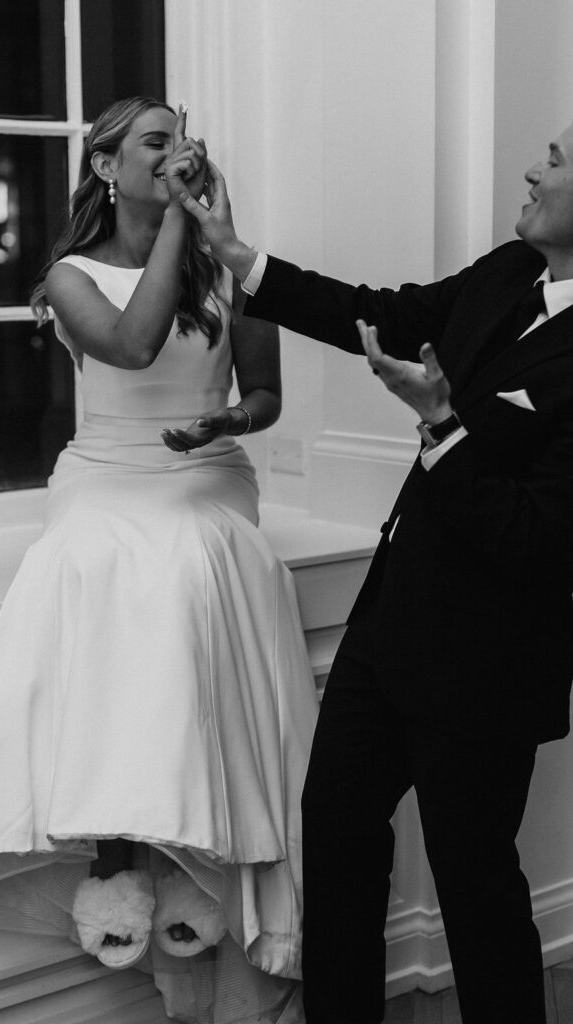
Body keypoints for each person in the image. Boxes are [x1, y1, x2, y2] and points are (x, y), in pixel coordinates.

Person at [0, 97, 317, 1024]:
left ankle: (197, 864)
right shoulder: (69, 275)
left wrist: (230, 419)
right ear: (106, 167)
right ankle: (121, 862)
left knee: (191, 568)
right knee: (100, 566)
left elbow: (263, 394)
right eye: (156, 142)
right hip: (106, 473)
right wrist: (185, 218)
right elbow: (136, 345)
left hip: (206, 474)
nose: (178, 153)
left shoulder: (233, 268)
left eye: (186, 140)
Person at [175, 121, 573, 1024]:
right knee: (339, 831)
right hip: (392, 621)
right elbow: (381, 312)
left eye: (553, 161)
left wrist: (443, 427)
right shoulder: (507, 273)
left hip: (488, 658)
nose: (530, 168)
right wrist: (236, 253)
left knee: (474, 884)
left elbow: (538, 539)